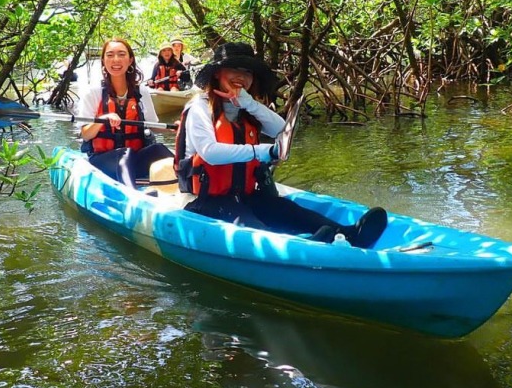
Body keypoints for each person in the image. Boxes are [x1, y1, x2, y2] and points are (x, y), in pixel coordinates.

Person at [173, 42, 387, 248]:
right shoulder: (199, 108)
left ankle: (347, 234)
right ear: (218, 73)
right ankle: (301, 249)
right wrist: (265, 151)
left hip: (240, 196)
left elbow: (282, 129)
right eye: (234, 69)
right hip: (202, 201)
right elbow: (210, 153)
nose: (241, 76)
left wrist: (248, 102)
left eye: (247, 72)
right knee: (248, 222)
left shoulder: (244, 108)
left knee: (282, 208)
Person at [79, 38, 173, 183]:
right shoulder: (94, 92)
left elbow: (154, 126)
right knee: (124, 154)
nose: (116, 60)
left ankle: (188, 186)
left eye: (121, 54)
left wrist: (175, 129)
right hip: (104, 161)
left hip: (135, 158)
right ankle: (133, 196)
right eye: (110, 55)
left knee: (158, 149)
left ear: (130, 60)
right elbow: (86, 135)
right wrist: (103, 119)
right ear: (103, 61)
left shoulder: (141, 92)